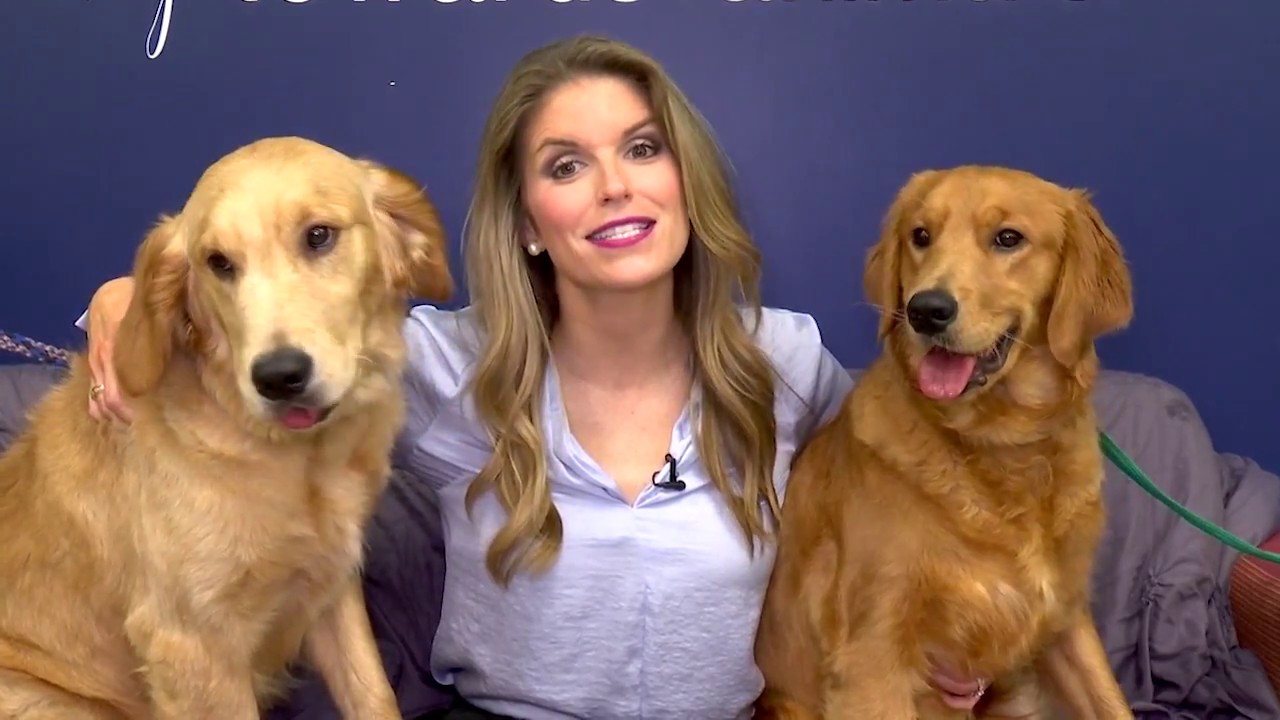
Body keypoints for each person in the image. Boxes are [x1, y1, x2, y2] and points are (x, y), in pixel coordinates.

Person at [77, 34, 986, 720]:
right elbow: (244, 325)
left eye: (643, 149)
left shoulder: (783, 361)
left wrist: (953, 642)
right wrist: (122, 297)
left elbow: (913, 490)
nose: (614, 186)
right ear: (526, 223)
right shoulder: (438, 367)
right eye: (566, 166)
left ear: (686, 183)